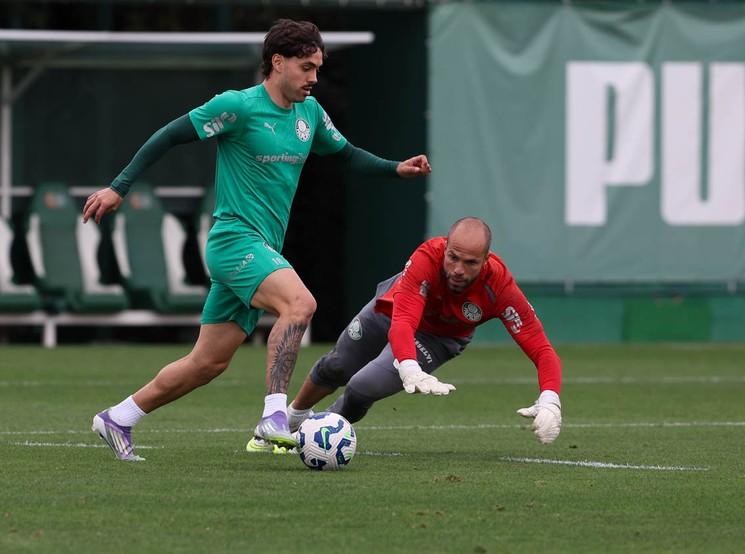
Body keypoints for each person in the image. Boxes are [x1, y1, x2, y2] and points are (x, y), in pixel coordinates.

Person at [85, 19, 432, 462]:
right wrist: (119, 187)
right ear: (277, 62)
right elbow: (169, 135)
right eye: (306, 67)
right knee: (300, 305)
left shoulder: (310, 114)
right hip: (234, 241)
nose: (313, 78)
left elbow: (345, 155)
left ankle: (119, 417)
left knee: (207, 363)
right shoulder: (238, 107)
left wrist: (394, 168)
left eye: (318, 69)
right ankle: (274, 416)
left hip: (262, 247)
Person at [246, 216, 563, 453]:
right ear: (445, 249)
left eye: (470, 263)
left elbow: (542, 349)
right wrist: (407, 365)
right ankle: (292, 418)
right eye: (453, 257)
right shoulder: (427, 257)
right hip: (393, 312)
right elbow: (403, 321)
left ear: (486, 261)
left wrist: (551, 399)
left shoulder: (500, 288)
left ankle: (315, 435)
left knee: (361, 387)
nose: (457, 269)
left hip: (437, 340)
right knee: (338, 365)